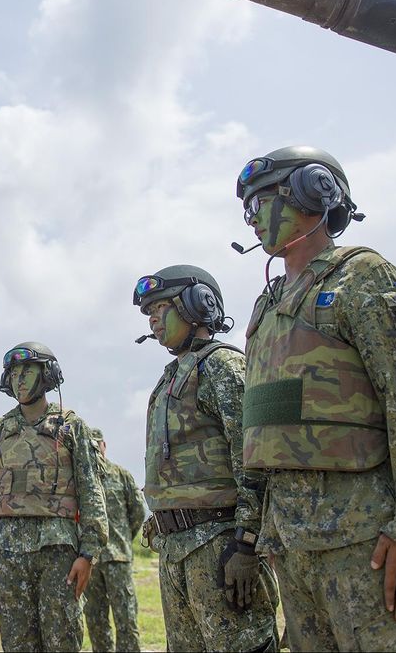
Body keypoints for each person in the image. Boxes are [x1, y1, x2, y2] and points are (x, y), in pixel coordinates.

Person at [235, 146, 396, 650]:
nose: (251, 219)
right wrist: (259, 533)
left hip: (367, 543)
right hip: (293, 546)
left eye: (263, 201)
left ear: (313, 192)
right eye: (246, 208)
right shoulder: (266, 308)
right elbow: (267, 428)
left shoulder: (363, 278)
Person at [132, 264, 279, 651]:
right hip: (176, 549)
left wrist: (246, 543)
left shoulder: (221, 366)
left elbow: (254, 457)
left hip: (220, 546)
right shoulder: (170, 378)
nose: (153, 320)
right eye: (148, 313)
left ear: (197, 305)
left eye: (160, 307)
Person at [0, 342, 108, 652]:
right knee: (17, 640)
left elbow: (91, 492)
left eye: (27, 372)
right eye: (14, 373)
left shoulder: (72, 426)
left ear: (48, 375)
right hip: (8, 550)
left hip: (58, 551)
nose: (19, 380)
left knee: (62, 637)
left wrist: (88, 554)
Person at [81, 428, 146, 653]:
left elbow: (138, 511)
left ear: (104, 445)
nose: (94, 451)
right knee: (96, 620)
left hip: (118, 558)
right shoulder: (81, 479)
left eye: (96, 445)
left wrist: (124, 539)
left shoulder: (121, 475)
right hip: (91, 559)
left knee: (126, 618)